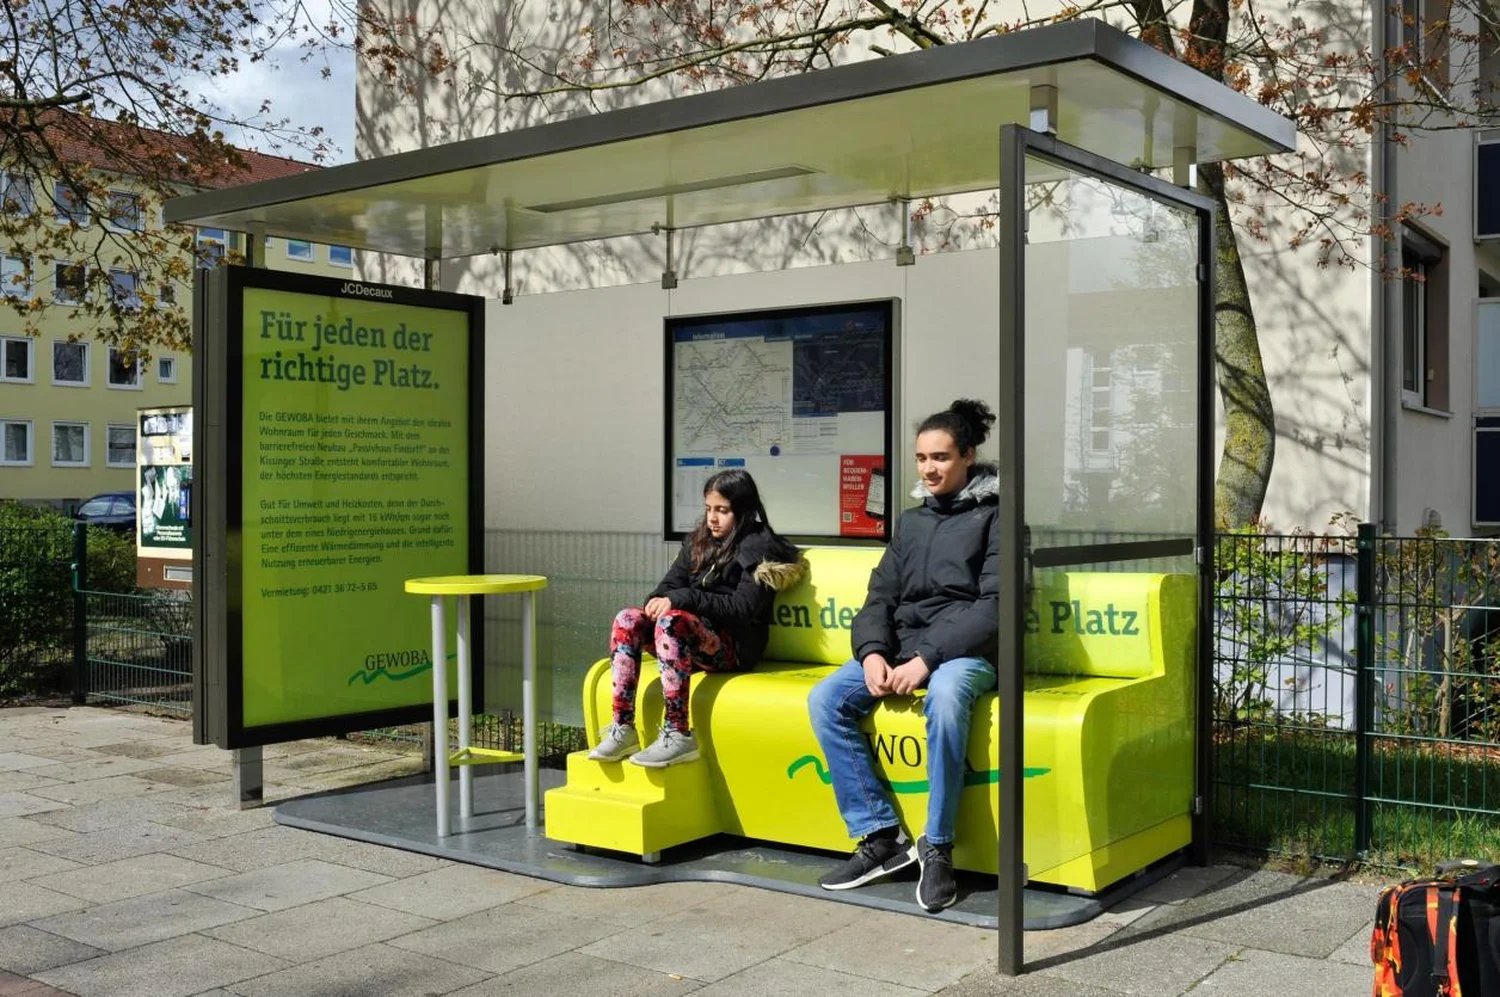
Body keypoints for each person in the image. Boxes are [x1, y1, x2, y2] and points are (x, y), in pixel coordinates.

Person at [808, 398, 999, 913]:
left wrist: (927, 660)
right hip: (900, 649)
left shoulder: (998, 517)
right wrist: (872, 653)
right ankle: (880, 838)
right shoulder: (911, 523)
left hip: (962, 654)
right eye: (921, 458)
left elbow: (994, 607)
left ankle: (936, 847)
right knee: (827, 698)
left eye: (939, 457)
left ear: (967, 456)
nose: (928, 468)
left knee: (946, 692)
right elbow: (879, 598)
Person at [588, 468, 804, 768]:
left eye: (722, 511)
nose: (713, 518)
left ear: (742, 511)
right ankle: (622, 727)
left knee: (673, 622)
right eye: (708, 509)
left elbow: (743, 609)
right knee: (628, 619)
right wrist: (656, 603)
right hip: (687, 639)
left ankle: (678, 733)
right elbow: (667, 588)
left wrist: (682, 600)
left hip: (733, 647)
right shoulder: (699, 541)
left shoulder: (758, 547)